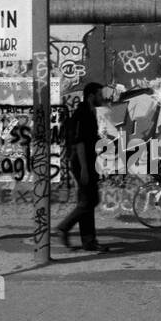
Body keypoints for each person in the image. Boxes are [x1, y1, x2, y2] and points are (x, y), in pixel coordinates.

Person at [56, 82, 109, 251]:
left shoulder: (90, 112)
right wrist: (85, 168)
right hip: (82, 162)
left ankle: (89, 241)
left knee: (87, 200)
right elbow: (79, 142)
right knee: (90, 200)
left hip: (87, 161)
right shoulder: (83, 113)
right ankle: (64, 227)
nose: (103, 97)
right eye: (100, 94)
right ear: (91, 96)